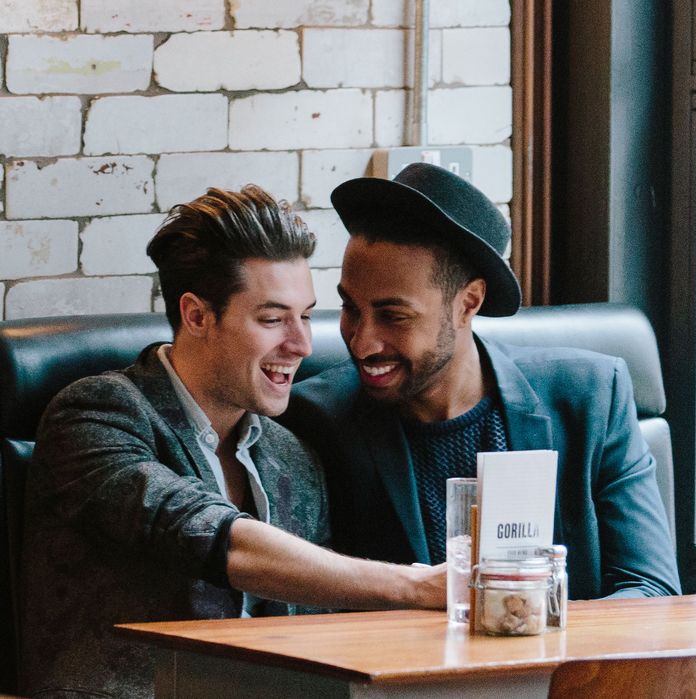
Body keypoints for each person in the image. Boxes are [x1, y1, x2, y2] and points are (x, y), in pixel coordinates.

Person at [20, 186, 445, 699]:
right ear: (197, 316)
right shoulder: (96, 413)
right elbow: (198, 531)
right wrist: (415, 587)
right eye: (272, 319)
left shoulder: (292, 457)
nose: (302, 344)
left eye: (306, 315)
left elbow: (316, 640)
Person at [281, 162, 681, 600]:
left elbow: (651, 590)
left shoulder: (590, 397)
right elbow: (300, 608)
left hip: (562, 668)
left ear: (467, 303)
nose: (362, 342)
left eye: (393, 316)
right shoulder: (317, 419)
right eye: (350, 308)